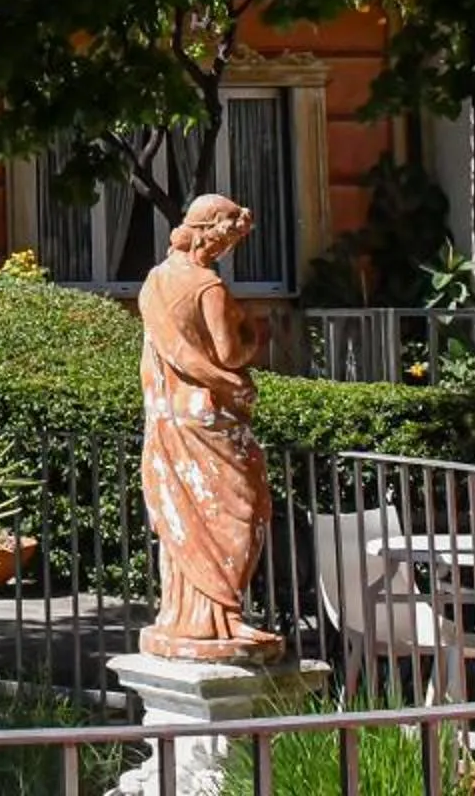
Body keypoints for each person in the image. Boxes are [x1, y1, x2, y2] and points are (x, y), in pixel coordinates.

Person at [136, 193, 284, 662]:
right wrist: (253, 335)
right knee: (242, 509)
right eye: (226, 241)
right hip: (207, 416)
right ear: (210, 235)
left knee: (184, 519)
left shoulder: (155, 281)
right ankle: (223, 614)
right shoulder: (207, 288)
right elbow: (227, 355)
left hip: (168, 417)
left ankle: (186, 615)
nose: (225, 252)